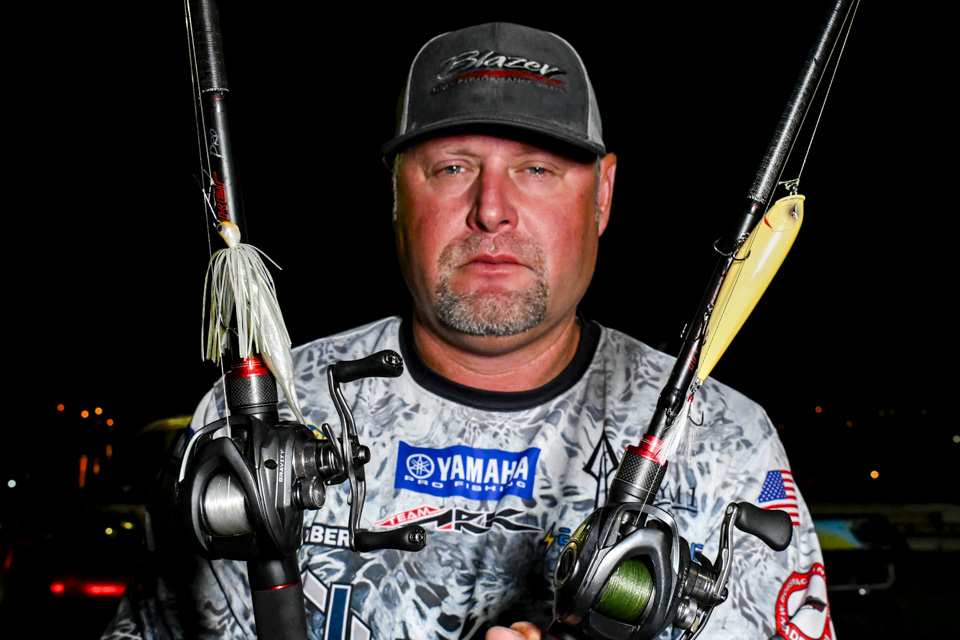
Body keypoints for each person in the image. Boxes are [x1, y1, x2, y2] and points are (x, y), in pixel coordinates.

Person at [104, 22, 832, 640]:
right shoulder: (252, 424)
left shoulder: (726, 440)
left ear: (603, 194)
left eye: (537, 170)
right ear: (396, 193)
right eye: (453, 167)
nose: (491, 210)